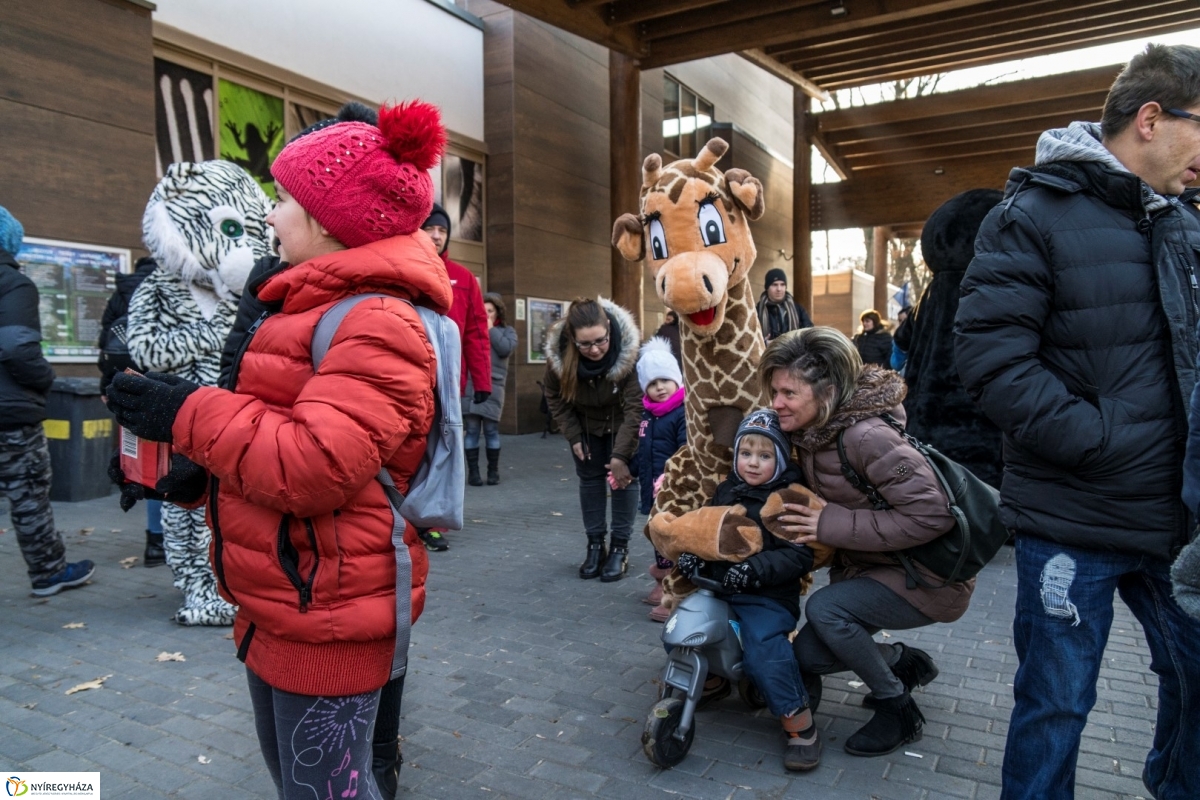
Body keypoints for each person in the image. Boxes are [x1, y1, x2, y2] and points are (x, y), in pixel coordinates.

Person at [107, 100, 448, 800]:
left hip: (327, 612)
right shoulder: (300, 306)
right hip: (280, 600)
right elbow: (265, 434)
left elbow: (311, 467)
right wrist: (193, 477)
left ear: (326, 219)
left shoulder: (376, 321)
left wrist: (185, 411)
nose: (268, 215)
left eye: (283, 199)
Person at [954, 44, 1200, 800]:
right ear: (1152, 119)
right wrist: (1099, 441)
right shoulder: (1031, 214)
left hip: (1177, 518)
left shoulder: (1184, 224)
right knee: (1056, 706)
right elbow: (992, 363)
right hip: (1074, 518)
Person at [765, 327, 967, 757]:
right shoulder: (815, 433)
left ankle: (898, 708)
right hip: (876, 568)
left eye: (788, 393)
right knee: (809, 655)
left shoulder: (865, 436)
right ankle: (903, 662)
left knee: (825, 608)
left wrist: (830, 524)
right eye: (773, 390)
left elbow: (933, 514)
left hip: (928, 574)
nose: (776, 403)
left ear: (828, 392)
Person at [674, 409, 820, 771]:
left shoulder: (788, 499)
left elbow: (799, 555)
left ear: (781, 459)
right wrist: (694, 559)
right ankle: (709, 681)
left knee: (763, 652)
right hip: (722, 588)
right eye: (746, 453)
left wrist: (754, 570)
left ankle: (799, 723)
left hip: (766, 597)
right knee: (683, 629)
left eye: (765, 455)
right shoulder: (726, 489)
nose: (753, 463)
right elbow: (706, 533)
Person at [0, 205, 95, 597]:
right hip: (11, 415)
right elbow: (16, 346)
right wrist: (45, 380)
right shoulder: (13, 283)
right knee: (29, 495)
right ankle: (49, 571)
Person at [901, 189, 1005, 489]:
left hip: (925, 433)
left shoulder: (933, 292)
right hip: (991, 446)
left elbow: (908, 339)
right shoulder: (1003, 289)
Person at [542, 297, 642, 581]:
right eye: (584, 344)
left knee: (623, 480)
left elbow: (636, 407)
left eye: (600, 340)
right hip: (585, 426)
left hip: (623, 423)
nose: (595, 349)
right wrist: (573, 435)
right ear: (572, 339)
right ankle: (595, 545)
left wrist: (621, 455)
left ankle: (620, 549)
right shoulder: (560, 359)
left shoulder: (630, 354)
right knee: (590, 480)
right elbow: (554, 396)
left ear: (609, 328)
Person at [419, 203, 489, 551]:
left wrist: (484, 382)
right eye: (430, 228)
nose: (436, 235)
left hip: (450, 384)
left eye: (442, 230)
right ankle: (406, 518)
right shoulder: (405, 270)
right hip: (409, 381)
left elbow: (477, 332)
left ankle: (432, 522)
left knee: (442, 452)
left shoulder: (463, 279)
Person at [97, 254, 165, 566]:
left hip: (126, 382)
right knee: (170, 461)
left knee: (142, 457)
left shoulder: (121, 292)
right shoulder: (167, 286)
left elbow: (106, 343)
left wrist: (106, 388)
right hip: (162, 383)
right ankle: (169, 537)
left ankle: (154, 543)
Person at [633, 336, 687, 622]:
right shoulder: (648, 416)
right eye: (652, 384)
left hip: (674, 492)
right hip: (651, 492)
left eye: (664, 380)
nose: (659, 388)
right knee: (657, 538)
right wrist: (626, 470)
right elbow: (642, 451)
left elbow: (685, 450)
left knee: (673, 540)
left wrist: (671, 475)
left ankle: (676, 592)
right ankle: (663, 580)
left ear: (676, 379)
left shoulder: (681, 413)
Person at [463, 292, 516, 486]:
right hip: (471, 385)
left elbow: (506, 349)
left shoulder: (507, 331)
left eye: (490, 311)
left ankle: (493, 472)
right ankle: (473, 474)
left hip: (494, 387)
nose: (486, 315)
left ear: (498, 312)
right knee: (472, 430)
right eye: (483, 311)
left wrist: (490, 329)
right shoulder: (470, 331)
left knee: (492, 431)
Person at [756, 268, 813, 343]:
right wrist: (764, 342)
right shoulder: (757, 311)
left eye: (782, 284)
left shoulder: (797, 309)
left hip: (793, 352)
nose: (779, 289)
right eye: (774, 285)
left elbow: (809, 333)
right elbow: (750, 338)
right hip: (767, 353)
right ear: (767, 288)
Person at [888, 305, 912, 373]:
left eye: (905, 320)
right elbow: (895, 364)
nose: (902, 323)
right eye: (900, 321)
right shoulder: (898, 338)